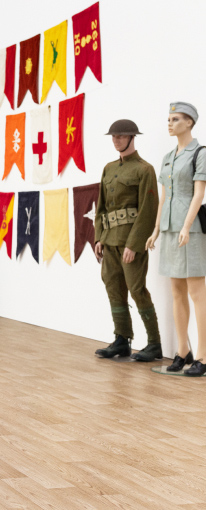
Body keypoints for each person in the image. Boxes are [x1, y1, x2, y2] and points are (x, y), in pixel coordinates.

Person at [94, 120, 161, 361]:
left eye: (121, 136)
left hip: (131, 241)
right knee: (113, 288)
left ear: (133, 137)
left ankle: (154, 343)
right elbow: (100, 206)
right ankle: (122, 339)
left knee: (136, 289)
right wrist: (99, 237)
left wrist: (134, 244)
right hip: (109, 241)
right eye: (113, 136)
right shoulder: (108, 168)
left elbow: (148, 210)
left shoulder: (144, 169)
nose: (116, 140)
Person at [146, 102, 206, 376]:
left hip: (189, 230)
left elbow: (198, 194)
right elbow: (163, 198)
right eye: (168, 118)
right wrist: (157, 229)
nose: (170, 123)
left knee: (197, 293)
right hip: (170, 230)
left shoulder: (200, 153)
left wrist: (187, 224)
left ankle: (203, 357)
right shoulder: (168, 156)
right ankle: (183, 349)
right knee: (176, 293)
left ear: (190, 122)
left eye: (176, 119)